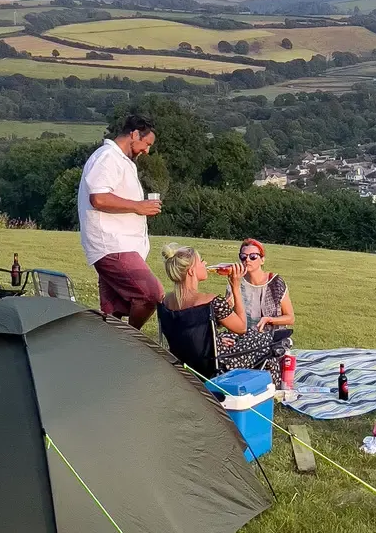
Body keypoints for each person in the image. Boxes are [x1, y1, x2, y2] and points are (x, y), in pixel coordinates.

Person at [77, 114, 164, 329]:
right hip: (113, 245)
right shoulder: (108, 157)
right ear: (134, 134)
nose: (147, 150)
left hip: (118, 246)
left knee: (112, 311)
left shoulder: (119, 160)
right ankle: (130, 341)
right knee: (151, 294)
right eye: (146, 144)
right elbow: (98, 198)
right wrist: (138, 206)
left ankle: (111, 352)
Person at [157, 244, 286, 381]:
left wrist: (216, 340)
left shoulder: (165, 301)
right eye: (201, 261)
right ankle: (273, 387)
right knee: (265, 340)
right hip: (215, 364)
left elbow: (189, 328)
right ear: (191, 271)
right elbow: (242, 328)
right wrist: (236, 287)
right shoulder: (211, 301)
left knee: (229, 336)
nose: (205, 263)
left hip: (187, 363)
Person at [217, 239, 295, 379]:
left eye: (253, 256)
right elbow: (230, 318)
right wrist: (228, 305)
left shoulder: (275, 283)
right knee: (219, 343)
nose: (248, 260)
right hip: (242, 337)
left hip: (269, 337)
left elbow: (290, 317)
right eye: (243, 257)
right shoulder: (236, 282)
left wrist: (270, 319)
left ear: (262, 260)